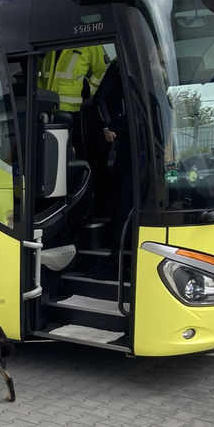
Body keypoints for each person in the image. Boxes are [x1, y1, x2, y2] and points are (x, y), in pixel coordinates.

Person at [91, 58, 131, 281]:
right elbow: (101, 98)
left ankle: (119, 263)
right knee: (119, 211)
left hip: (140, 156)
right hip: (124, 153)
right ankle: (115, 264)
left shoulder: (153, 76)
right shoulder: (120, 67)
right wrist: (108, 124)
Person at [38, 46, 109, 159]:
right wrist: (40, 92)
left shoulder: (88, 39)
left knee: (70, 155)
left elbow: (103, 69)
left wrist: (88, 90)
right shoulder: (50, 38)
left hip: (71, 110)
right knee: (48, 155)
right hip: (46, 107)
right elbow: (36, 71)